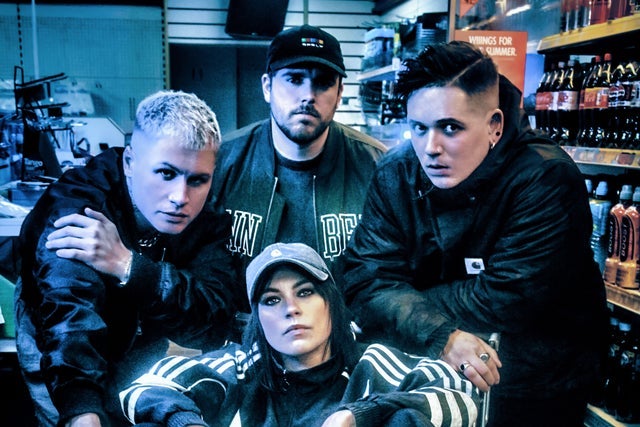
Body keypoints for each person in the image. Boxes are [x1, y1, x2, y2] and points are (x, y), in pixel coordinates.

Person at [343, 41, 609, 427]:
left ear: (494, 126)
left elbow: (508, 297)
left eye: (450, 128)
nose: (431, 148)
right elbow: (365, 280)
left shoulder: (545, 177)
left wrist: (405, 308)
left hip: (535, 385)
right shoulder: (396, 171)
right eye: (419, 128)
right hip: (431, 372)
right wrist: (442, 335)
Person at [14, 90, 239, 427]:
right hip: (58, 340)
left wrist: (130, 267)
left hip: (142, 339)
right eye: (166, 173)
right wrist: (81, 409)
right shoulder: (78, 208)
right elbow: (67, 313)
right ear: (131, 162)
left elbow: (213, 316)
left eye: (197, 179)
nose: (180, 197)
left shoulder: (208, 214)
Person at [119, 242, 480, 427]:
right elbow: (142, 387)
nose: (291, 309)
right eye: (272, 299)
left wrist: (362, 414)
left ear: (330, 303)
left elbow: (461, 399)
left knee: (405, 420)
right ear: (258, 318)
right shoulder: (240, 367)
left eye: (305, 292)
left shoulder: (371, 364)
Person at [210, 25, 387, 315]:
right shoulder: (220, 163)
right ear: (267, 87)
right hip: (242, 333)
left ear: (339, 93)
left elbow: (390, 273)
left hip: (348, 335)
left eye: (323, 83)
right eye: (294, 79)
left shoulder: (378, 166)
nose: (308, 95)